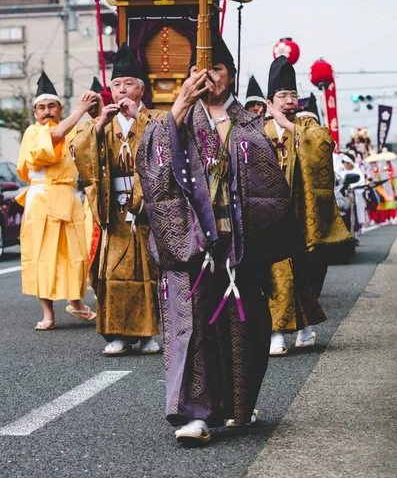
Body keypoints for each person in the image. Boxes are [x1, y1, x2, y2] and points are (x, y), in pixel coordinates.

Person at [136, 35, 301, 444]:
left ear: (231, 76)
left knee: (244, 326)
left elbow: (270, 185)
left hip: (237, 241)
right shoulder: (177, 120)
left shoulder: (249, 123)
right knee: (190, 325)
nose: (210, 78)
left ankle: (237, 406)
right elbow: (150, 159)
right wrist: (179, 106)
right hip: (190, 242)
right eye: (202, 71)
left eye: (219, 70)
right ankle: (194, 414)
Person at [72, 43, 164, 357]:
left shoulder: (154, 119)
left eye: (128, 84)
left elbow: (166, 147)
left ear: (142, 89)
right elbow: (81, 154)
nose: (122, 90)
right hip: (114, 208)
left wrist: (139, 119)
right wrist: (98, 126)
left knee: (149, 271)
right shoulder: (104, 123)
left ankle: (149, 333)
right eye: (116, 85)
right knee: (113, 272)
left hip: (147, 208)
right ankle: (120, 334)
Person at [264, 56, 351, 355]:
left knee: (303, 270)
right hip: (271, 214)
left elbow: (324, 146)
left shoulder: (306, 124)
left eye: (292, 95)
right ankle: (277, 331)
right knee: (274, 272)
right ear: (269, 100)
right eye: (281, 96)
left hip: (302, 212)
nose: (289, 101)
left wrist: (290, 126)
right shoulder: (260, 131)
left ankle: (304, 326)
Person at [16, 71, 99, 330]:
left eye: (51, 106)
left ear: (59, 109)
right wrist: (81, 110)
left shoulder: (72, 130)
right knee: (41, 257)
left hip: (67, 198)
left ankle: (76, 303)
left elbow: (93, 141)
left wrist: (97, 110)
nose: (47, 111)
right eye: (41, 107)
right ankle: (48, 313)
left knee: (73, 255)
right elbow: (53, 140)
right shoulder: (34, 132)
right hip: (41, 202)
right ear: (35, 112)